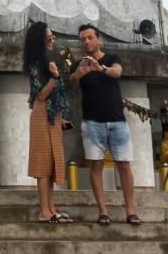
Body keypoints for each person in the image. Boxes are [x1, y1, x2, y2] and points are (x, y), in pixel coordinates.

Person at [73, 23, 140, 226]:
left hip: (117, 120)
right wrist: (77, 74)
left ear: (98, 39)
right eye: (83, 39)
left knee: (124, 165)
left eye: (89, 37)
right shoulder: (79, 63)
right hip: (92, 121)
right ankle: (103, 211)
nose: (86, 41)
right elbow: (70, 82)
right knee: (96, 165)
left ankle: (130, 210)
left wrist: (99, 68)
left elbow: (117, 72)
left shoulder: (112, 59)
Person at [23, 20, 74, 224]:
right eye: (48, 36)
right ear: (39, 39)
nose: (52, 38)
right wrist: (53, 77)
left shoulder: (46, 60)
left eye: (53, 35)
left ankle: (51, 208)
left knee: (52, 164)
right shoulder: (37, 63)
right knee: (43, 164)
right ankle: (44, 211)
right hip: (41, 114)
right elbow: (41, 96)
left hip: (52, 116)